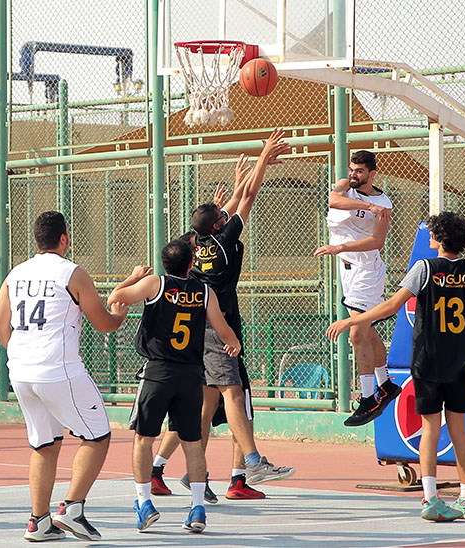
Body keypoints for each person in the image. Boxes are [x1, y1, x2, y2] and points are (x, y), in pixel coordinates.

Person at [326, 211, 465, 522]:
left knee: (430, 428)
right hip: (459, 361)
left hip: (428, 360)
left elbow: (391, 306)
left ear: (441, 238)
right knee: (459, 429)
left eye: (433, 233)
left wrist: (351, 319)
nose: (428, 237)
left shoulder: (424, 268)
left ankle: (430, 497)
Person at [0, 211, 129, 542]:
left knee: (45, 445)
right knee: (97, 436)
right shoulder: (72, 273)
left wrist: (25, 353)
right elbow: (104, 324)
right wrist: (121, 311)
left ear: (37, 240)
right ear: (64, 238)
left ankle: (38, 522)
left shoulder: (15, 274)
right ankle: (72, 508)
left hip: (20, 371)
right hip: (57, 369)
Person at [182, 132, 295, 502]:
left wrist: (239, 180)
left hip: (197, 326)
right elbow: (247, 199)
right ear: (218, 226)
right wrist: (263, 157)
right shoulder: (226, 242)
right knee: (234, 392)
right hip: (220, 326)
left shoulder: (192, 242)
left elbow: (233, 203)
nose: (224, 212)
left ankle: (195, 469)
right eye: (220, 214)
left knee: (208, 400)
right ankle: (251, 460)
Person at [109, 239, 241, 533]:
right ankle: (197, 509)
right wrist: (234, 343)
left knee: (144, 439)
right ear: (192, 264)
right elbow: (222, 329)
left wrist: (133, 277)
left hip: (157, 372)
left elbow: (115, 298)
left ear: (163, 263)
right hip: (192, 374)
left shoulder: (155, 284)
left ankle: (144, 503)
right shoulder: (204, 291)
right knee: (192, 443)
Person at [314, 150, 401, 426]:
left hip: (366, 270)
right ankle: (385, 384)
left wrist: (340, 246)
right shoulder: (344, 186)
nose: (353, 174)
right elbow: (333, 200)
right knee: (368, 330)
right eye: (352, 169)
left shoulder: (384, 202)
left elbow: (377, 241)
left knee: (356, 333)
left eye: (359, 171)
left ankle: (367, 399)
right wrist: (365, 208)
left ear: (372, 174)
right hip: (347, 269)